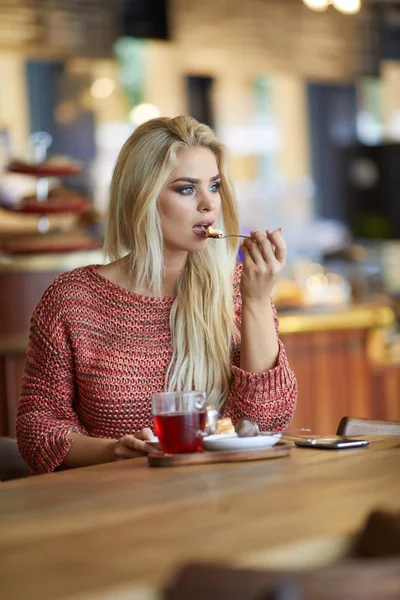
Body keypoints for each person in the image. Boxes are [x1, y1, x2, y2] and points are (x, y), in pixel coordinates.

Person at [16, 116, 297, 474]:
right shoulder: (72, 300)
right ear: (142, 196)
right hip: (111, 507)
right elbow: (36, 427)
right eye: (186, 189)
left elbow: (264, 423)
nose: (209, 204)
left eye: (214, 186)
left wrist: (257, 300)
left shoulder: (239, 288)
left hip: (223, 498)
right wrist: (112, 452)